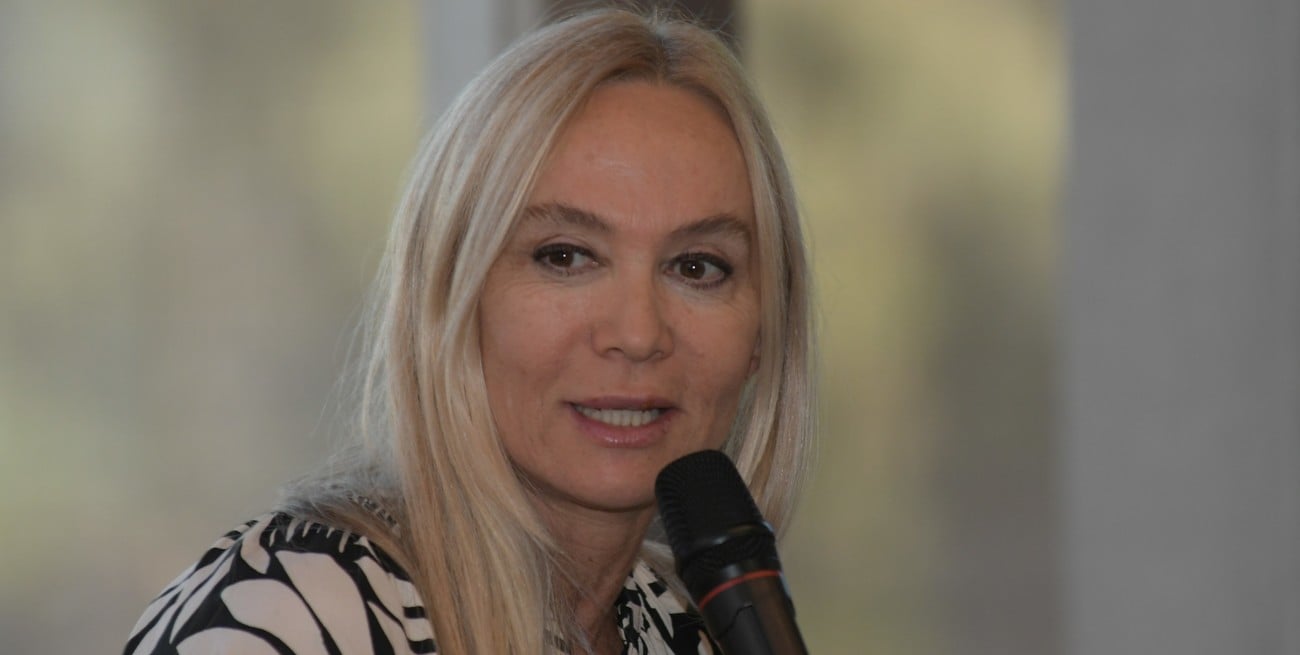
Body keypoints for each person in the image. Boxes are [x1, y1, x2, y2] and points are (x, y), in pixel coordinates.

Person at [123, 7, 814, 655]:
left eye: (697, 267)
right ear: (451, 294)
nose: (637, 333)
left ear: (764, 333)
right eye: (565, 256)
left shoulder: (682, 629)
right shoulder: (288, 618)